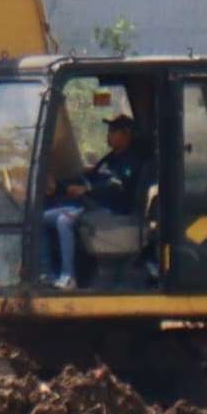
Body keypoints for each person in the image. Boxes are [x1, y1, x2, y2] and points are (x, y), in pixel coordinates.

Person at [38, 113, 151, 291]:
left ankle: (68, 278)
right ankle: (46, 274)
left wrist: (87, 190)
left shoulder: (131, 161)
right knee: (40, 218)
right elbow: (90, 176)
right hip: (92, 206)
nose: (109, 134)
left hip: (112, 212)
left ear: (126, 134)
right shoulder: (111, 158)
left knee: (64, 220)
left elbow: (118, 186)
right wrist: (60, 185)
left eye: (113, 130)